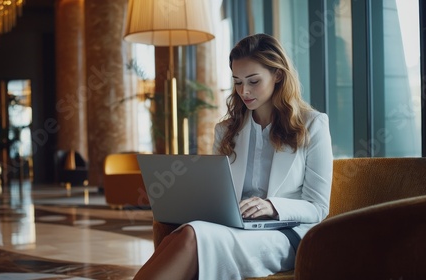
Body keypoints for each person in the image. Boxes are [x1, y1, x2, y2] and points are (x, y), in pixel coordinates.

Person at [133, 33, 333, 280]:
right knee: (181, 235)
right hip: (233, 227)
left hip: (286, 233)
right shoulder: (227, 130)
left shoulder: (312, 125)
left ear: (278, 75)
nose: (244, 91)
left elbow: (318, 207)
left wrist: (271, 206)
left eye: (253, 81)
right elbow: (217, 193)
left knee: (190, 237)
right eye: (237, 82)